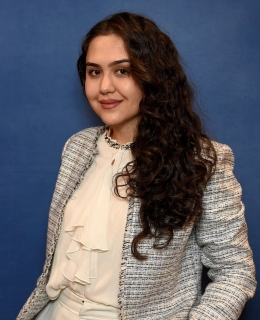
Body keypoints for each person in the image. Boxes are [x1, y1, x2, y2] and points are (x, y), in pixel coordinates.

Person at [17, 12, 256, 320]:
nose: (104, 87)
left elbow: (235, 272)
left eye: (122, 71)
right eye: (94, 72)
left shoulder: (202, 159)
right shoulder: (77, 147)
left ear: (153, 75)